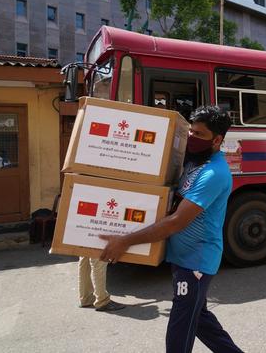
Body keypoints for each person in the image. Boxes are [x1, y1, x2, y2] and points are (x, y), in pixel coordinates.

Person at [99, 106, 243, 353]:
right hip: (182, 258)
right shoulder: (194, 162)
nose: (191, 139)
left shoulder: (214, 173)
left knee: (180, 330)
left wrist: (126, 240)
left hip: (196, 263)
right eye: (190, 131)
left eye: (199, 134)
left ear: (217, 140)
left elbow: (177, 221)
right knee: (199, 320)